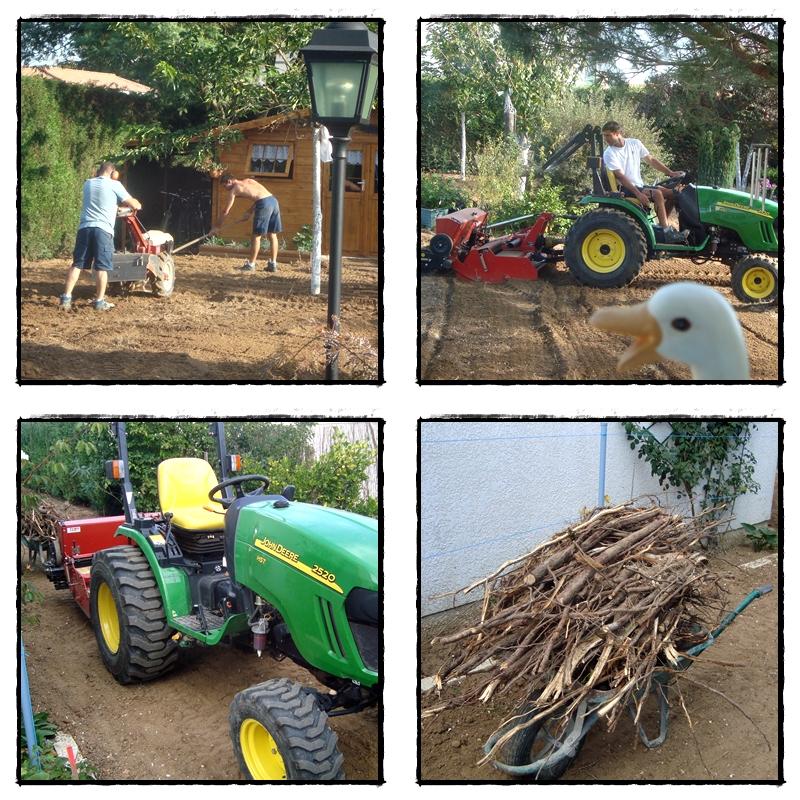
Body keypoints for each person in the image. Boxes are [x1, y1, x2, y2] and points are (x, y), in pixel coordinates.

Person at [60, 162, 141, 311]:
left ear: (99, 171)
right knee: (101, 267)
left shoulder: (88, 184)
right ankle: (99, 301)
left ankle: (66, 298)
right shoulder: (115, 185)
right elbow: (135, 205)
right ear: (113, 173)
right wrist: (136, 204)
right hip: (103, 230)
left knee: (77, 264)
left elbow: (100, 200)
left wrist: (114, 207)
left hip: (85, 228)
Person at [601, 121, 687, 243]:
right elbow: (621, 177)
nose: (605, 139)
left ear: (617, 133)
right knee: (657, 194)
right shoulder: (609, 153)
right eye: (604, 135)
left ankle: (662, 228)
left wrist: (670, 173)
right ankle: (666, 233)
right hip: (626, 188)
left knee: (673, 194)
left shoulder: (634, 144)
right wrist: (638, 194)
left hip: (639, 185)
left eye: (608, 135)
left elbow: (651, 159)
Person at [213, 173, 281, 272]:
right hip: (273, 201)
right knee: (272, 234)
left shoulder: (234, 190)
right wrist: (249, 211)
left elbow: (225, 211)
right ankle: (273, 264)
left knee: (256, 236)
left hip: (264, 204)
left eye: (224, 186)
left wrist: (217, 227)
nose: (225, 189)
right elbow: (261, 196)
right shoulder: (249, 181)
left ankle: (251, 264)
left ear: (229, 181)